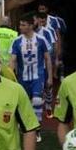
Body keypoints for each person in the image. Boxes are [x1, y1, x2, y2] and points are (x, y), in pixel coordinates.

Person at [9, 13, 52, 141]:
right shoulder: (16, 41)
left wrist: (49, 77)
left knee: (37, 101)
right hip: (22, 78)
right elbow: (12, 60)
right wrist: (10, 76)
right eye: (20, 24)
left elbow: (47, 59)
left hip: (37, 76)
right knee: (22, 103)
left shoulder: (41, 40)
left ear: (30, 25)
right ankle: (22, 125)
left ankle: (37, 129)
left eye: (23, 24)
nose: (20, 27)